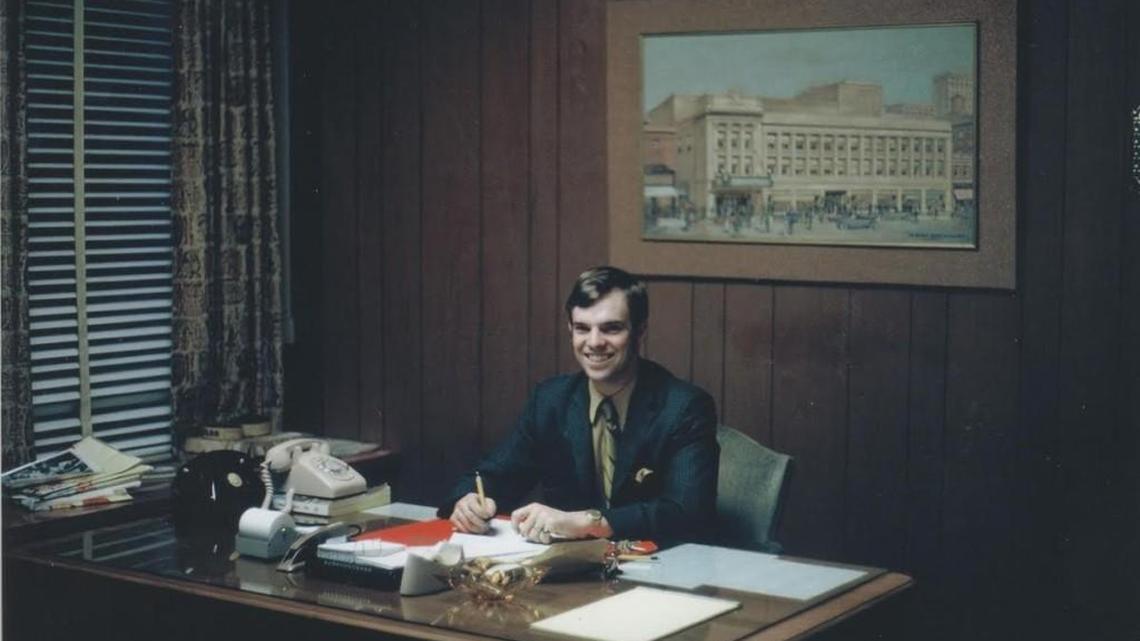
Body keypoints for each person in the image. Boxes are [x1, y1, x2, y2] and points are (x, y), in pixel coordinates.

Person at [439, 266, 719, 545]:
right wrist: (469, 502)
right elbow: (492, 476)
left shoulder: (684, 407)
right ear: (570, 330)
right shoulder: (551, 400)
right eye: (583, 329)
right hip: (573, 569)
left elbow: (687, 512)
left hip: (659, 567)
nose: (594, 342)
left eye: (611, 328)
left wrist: (588, 522)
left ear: (640, 331)